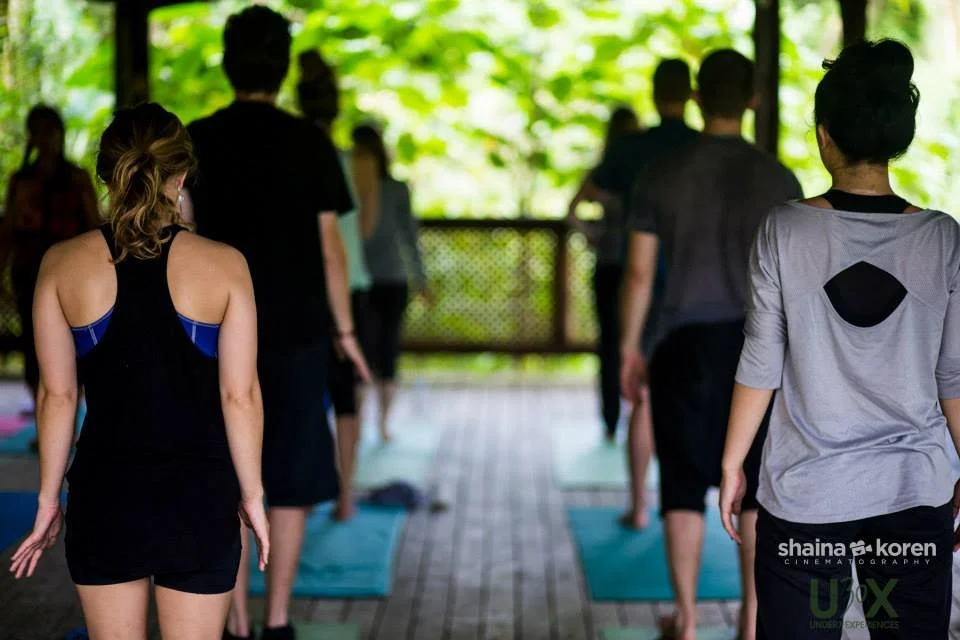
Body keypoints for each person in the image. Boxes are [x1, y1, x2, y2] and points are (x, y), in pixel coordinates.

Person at [721, 39, 959, 640]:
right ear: (896, 138)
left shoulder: (786, 229)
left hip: (807, 496)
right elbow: (953, 374)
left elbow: (760, 361)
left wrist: (731, 465)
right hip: (914, 491)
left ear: (824, 135)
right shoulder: (941, 239)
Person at [8, 102, 269, 640]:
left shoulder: (59, 264)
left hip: (106, 496)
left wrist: (46, 500)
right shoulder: (226, 264)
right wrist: (253, 497)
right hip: (199, 496)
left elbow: (57, 395)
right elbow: (239, 395)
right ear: (181, 175)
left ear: (107, 175)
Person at [185, 7, 370, 640]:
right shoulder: (309, 142)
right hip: (295, 334)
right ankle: (279, 619)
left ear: (228, 61)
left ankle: (234, 622)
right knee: (287, 480)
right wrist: (345, 332)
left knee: (228, 473)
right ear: (283, 67)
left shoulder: (197, 139)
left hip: (209, 333)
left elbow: (179, 236)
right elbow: (331, 249)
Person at [620, 50, 802, 640]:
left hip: (681, 346)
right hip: (760, 352)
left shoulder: (662, 173)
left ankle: (690, 621)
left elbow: (640, 275)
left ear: (698, 98)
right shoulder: (780, 180)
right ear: (753, 99)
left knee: (679, 483)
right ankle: (750, 624)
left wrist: (629, 346)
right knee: (755, 486)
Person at [570, 59, 698, 530]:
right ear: (692, 96)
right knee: (694, 396)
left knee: (643, 397)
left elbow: (584, 197)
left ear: (653, 90)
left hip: (641, 282)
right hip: (698, 288)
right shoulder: (703, 150)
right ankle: (692, 504)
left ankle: (641, 506)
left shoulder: (631, 150)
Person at [296, 49, 375, 522]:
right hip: (352, 289)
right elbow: (360, 232)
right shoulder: (358, 161)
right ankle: (344, 497)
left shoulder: (291, 158)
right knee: (346, 401)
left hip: (306, 289)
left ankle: (298, 500)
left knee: (302, 396)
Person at [1, 106, 100, 416]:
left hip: (72, 272)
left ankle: (68, 411)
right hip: (29, 271)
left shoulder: (76, 178)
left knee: (74, 342)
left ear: (60, 134)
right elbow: (8, 232)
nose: (44, 139)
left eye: (50, 131)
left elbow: (94, 224)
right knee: (33, 344)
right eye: (38, 131)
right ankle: (43, 408)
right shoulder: (21, 181)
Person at [566, 105, 639, 442]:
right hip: (637, 267)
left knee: (610, 344)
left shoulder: (604, 172)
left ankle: (612, 417)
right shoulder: (644, 169)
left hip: (610, 264)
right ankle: (637, 410)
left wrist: (591, 233)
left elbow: (572, 212)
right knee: (637, 339)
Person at [355, 123, 430, 442]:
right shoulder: (390, 188)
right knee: (383, 351)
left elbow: (410, 237)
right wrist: (421, 279)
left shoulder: (386, 188)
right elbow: (411, 238)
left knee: (369, 351)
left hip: (374, 280)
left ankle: (375, 424)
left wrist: (421, 278)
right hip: (377, 279)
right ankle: (377, 425)